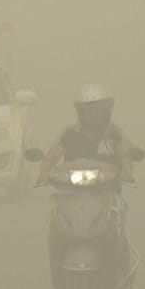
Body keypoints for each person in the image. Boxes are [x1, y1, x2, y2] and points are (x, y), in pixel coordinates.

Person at [37, 84, 136, 277]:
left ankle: (121, 254)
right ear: (79, 110)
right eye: (89, 109)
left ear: (108, 108)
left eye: (98, 108)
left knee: (120, 211)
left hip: (108, 190)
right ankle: (57, 262)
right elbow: (52, 155)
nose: (94, 114)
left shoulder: (115, 133)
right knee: (54, 215)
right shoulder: (69, 133)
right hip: (71, 192)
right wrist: (44, 173)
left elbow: (126, 155)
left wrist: (127, 173)